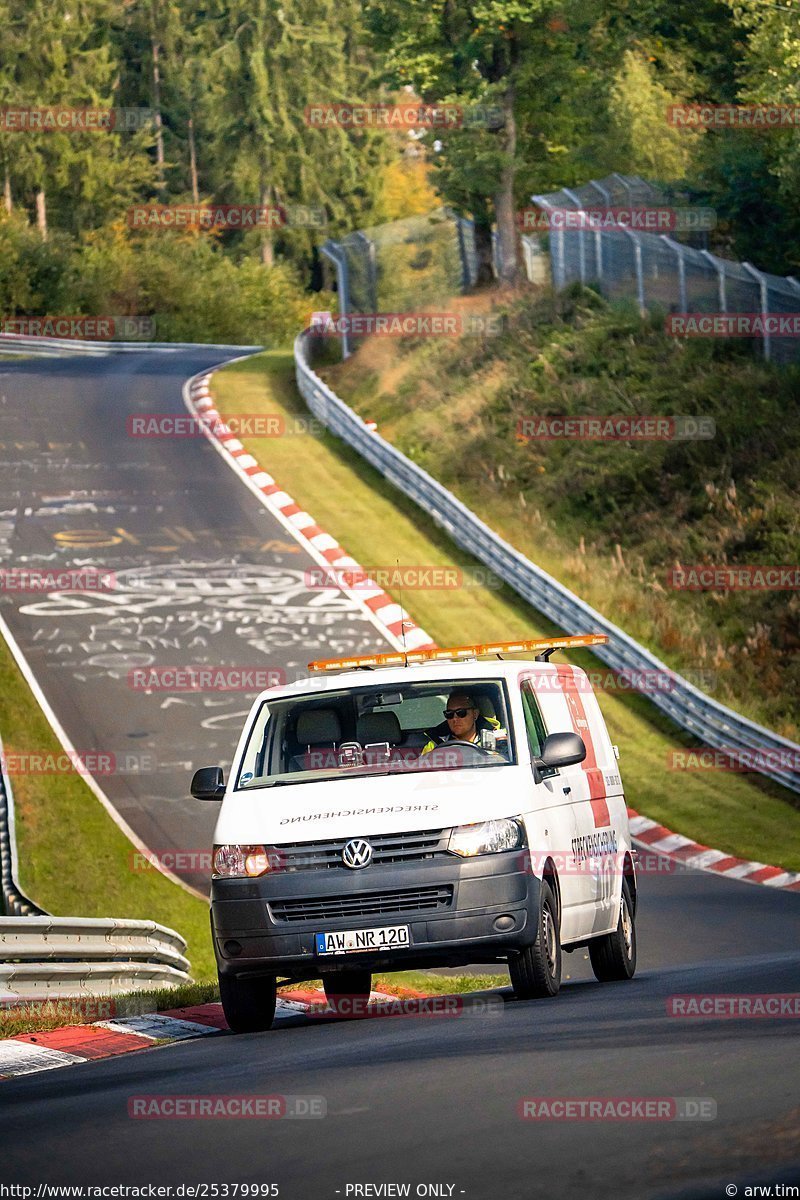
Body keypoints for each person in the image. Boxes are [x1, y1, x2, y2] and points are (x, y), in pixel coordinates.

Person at [421, 691, 500, 755]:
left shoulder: (497, 739)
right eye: (449, 714)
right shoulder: (434, 745)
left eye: (461, 713)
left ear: (475, 714)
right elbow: (422, 769)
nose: (455, 718)